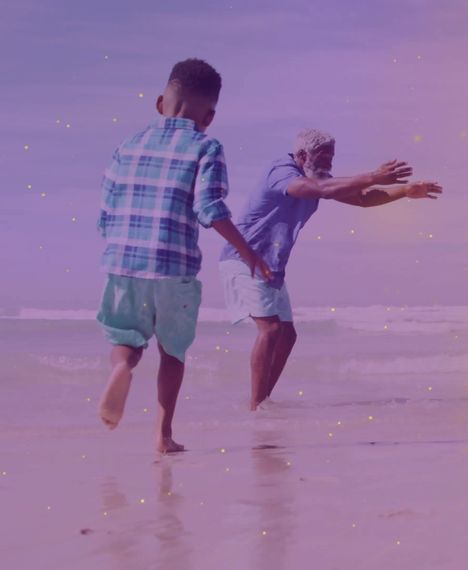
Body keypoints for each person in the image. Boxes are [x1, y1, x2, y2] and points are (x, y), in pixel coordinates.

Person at [96, 58, 271, 453]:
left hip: (123, 261)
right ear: (209, 116)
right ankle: (163, 435)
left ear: (160, 103)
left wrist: (116, 243)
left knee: (126, 337)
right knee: (172, 351)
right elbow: (209, 209)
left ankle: (122, 367)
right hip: (172, 266)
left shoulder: (128, 145)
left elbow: (106, 207)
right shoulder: (206, 146)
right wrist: (247, 252)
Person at [219, 128, 443, 410]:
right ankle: (255, 406)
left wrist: (405, 192)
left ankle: (263, 400)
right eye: (322, 156)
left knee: (287, 335)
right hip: (245, 257)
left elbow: (362, 197)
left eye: (331, 157)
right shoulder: (281, 171)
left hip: (271, 266)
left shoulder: (318, 178)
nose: (328, 162)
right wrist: (373, 175)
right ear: (302, 155)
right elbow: (317, 189)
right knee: (271, 329)